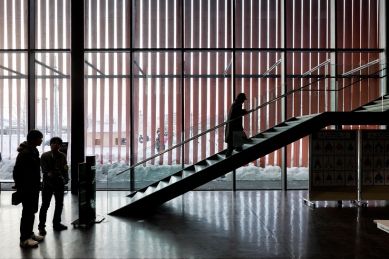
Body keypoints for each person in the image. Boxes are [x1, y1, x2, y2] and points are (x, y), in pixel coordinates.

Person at [13, 129, 45, 247]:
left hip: (34, 187)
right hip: (27, 188)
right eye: (39, 138)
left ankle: (30, 234)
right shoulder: (25, 153)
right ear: (33, 139)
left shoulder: (34, 151)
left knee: (32, 211)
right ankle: (24, 239)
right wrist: (21, 186)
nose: (41, 140)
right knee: (27, 212)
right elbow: (17, 172)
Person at [38, 137, 69, 235]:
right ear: (50, 144)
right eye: (54, 143)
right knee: (45, 205)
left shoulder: (62, 156)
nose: (56, 145)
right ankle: (41, 226)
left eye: (58, 143)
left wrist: (66, 178)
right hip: (48, 184)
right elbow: (45, 170)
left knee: (59, 205)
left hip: (59, 183)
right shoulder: (45, 156)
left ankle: (57, 223)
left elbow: (65, 168)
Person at [225, 93, 249, 157]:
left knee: (232, 142)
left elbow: (235, 113)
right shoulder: (238, 104)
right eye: (243, 99)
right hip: (235, 126)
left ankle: (237, 149)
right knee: (232, 143)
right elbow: (237, 113)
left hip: (233, 126)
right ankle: (229, 156)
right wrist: (244, 111)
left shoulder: (235, 104)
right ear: (241, 99)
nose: (244, 101)